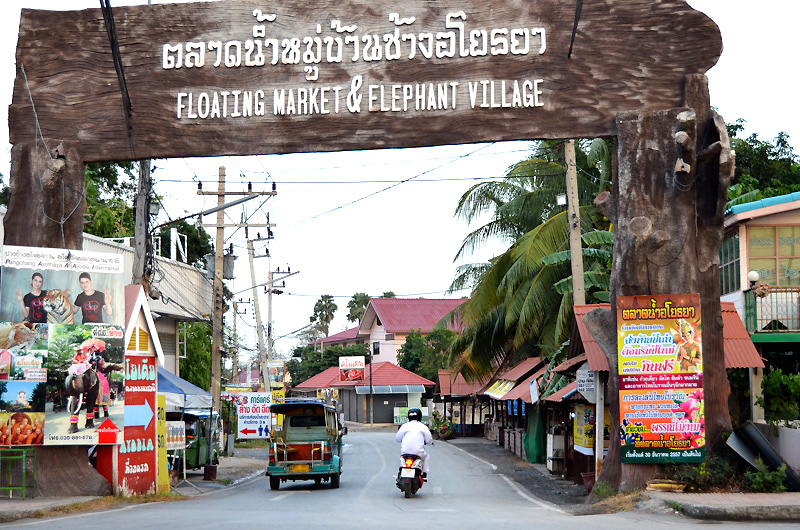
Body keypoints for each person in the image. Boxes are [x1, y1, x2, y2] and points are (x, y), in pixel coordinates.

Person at [395, 407, 433, 478]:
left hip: (405, 453)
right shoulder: (423, 427)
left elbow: (397, 439)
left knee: (402, 461)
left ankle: (400, 474)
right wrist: (430, 443)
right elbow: (429, 440)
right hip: (418, 453)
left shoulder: (404, 426)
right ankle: (424, 473)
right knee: (426, 456)